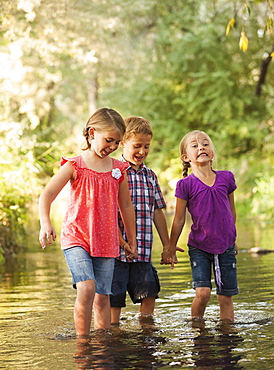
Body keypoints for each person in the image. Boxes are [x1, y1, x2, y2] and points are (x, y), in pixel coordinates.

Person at [38, 107, 137, 336]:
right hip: (76, 238)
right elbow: (47, 195)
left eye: (117, 143)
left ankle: (101, 347)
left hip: (107, 241)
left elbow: (126, 206)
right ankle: (82, 344)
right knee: (87, 287)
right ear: (92, 133)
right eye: (109, 140)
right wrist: (45, 223)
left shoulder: (118, 169)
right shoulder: (74, 166)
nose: (112, 147)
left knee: (103, 296)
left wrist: (131, 240)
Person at [162, 130, 238, 322]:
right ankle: (197, 331)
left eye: (205, 144)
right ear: (186, 157)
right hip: (199, 247)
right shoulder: (185, 185)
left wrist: (233, 238)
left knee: (225, 297)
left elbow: (231, 211)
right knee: (203, 293)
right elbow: (178, 219)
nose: (201, 147)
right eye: (195, 145)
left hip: (225, 245)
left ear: (212, 153)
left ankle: (227, 336)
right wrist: (170, 247)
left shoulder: (226, 178)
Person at [110, 116, 170, 324]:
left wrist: (168, 245)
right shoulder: (114, 172)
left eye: (146, 146)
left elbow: (158, 212)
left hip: (143, 252)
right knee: (114, 298)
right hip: (116, 252)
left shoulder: (150, 176)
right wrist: (123, 242)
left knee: (149, 291)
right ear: (123, 143)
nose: (142, 151)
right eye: (137, 146)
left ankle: (146, 329)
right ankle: (114, 333)